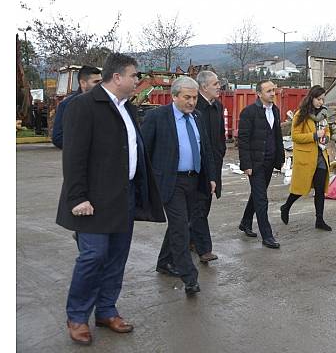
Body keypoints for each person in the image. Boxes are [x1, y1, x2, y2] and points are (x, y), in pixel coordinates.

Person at [56, 53, 165, 345]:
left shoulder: (126, 107)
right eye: (134, 76)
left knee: (116, 257)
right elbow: (74, 155)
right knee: (93, 257)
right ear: (117, 77)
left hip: (123, 196)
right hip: (92, 201)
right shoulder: (84, 105)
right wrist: (77, 197)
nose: (137, 80)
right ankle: (77, 316)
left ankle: (105, 310)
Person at [140, 76, 217, 295]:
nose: (192, 102)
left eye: (194, 97)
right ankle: (189, 276)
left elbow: (206, 149)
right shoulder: (157, 117)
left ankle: (164, 262)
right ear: (174, 96)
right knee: (181, 227)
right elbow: (143, 150)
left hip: (194, 180)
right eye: (187, 97)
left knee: (182, 223)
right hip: (170, 181)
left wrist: (211, 177)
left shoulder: (198, 117)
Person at [237, 80, 285, 249]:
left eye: (274, 90)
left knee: (258, 194)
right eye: (269, 91)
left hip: (270, 161)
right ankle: (267, 236)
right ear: (259, 94)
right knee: (261, 199)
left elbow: (277, 136)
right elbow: (242, 140)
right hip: (255, 163)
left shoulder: (276, 111)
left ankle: (245, 221)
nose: (273, 93)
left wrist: (281, 158)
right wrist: (246, 164)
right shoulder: (248, 113)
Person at [279, 85, 332, 231]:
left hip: (321, 156)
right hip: (306, 157)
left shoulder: (323, 114)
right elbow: (295, 136)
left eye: (323, 99)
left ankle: (319, 220)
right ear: (311, 98)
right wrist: (314, 136)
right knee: (301, 188)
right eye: (318, 99)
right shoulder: (301, 114)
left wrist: (326, 137)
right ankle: (286, 206)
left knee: (320, 190)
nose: (321, 102)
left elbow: (327, 131)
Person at [189, 70, 226, 263]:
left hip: (214, 163)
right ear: (204, 87)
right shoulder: (195, 108)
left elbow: (221, 135)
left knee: (205, 205)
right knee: (199, 206)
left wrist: (220, 153)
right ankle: (204, 249)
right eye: (215, 83)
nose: (219, 86)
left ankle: (191, 239)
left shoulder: (217, 106)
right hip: (198, 166)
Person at [52, 65, 102, 149]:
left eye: (101, 82)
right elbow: (58, 138)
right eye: (96, 82)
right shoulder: (67, 105)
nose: (100, 85)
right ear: (83, 83)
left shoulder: (106, 103)